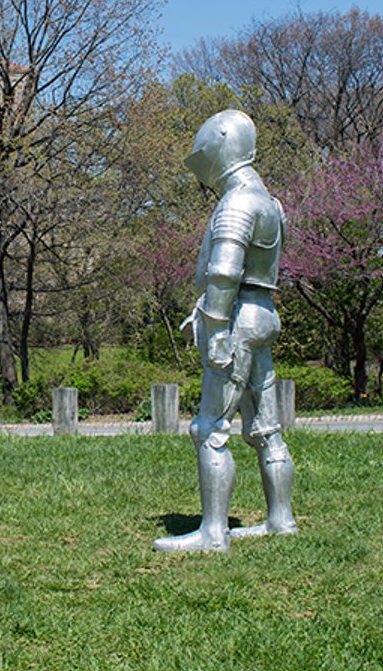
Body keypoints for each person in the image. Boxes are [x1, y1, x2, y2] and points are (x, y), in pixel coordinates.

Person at [154, 110, 297, 552]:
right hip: (263, 314)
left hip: (236, 319)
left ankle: (214, 533)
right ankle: (281, 520)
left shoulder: (237, 203)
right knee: (266, 427)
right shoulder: (268, 201)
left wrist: (216, 331)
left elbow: (223, 274)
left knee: (210, 427)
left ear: (222, 143)